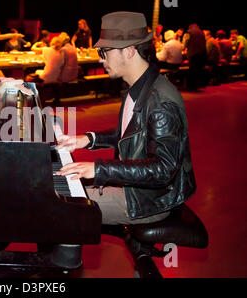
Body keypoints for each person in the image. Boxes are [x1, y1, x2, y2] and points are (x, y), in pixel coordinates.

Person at [55, 11, 196, 225]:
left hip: (150, 199)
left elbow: (163, 170)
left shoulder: (161, 102)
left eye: (105, 51)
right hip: (136, 186)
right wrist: (88, 139)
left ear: (129, 51)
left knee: (61, 206)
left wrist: (98, 169)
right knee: (56, 190)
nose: (100, 58)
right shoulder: (137, 86)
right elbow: (131, 133)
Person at [184, 23, 207, 90]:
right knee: (198, 70)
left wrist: (184, 47)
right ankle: (198, 85)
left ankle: (191, 86)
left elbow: (186, 41)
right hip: (202, 53)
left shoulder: (189, 32)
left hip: (193, 53)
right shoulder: (201, 32)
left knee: (192, 70)